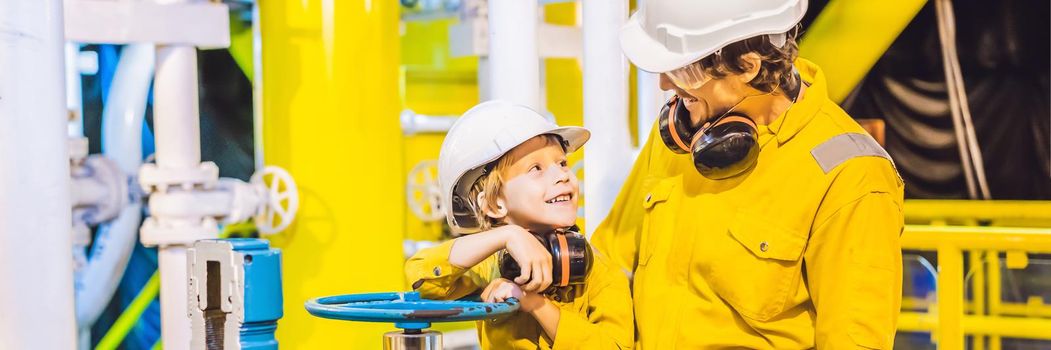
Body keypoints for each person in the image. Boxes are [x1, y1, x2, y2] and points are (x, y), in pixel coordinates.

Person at [592, 0, 905, 348]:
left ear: (747, 66)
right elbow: (611, 268)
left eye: (682, 68)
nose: (665, 83)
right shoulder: (680, 134)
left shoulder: (851, 175)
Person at [405, 100, 633, 349]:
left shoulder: (601, 273)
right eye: (536, 168)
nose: (563, 175)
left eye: (562, 163)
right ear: (494, 204)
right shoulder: (491, 264)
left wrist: (533, 303)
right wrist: (507, 237)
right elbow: (421, 280)